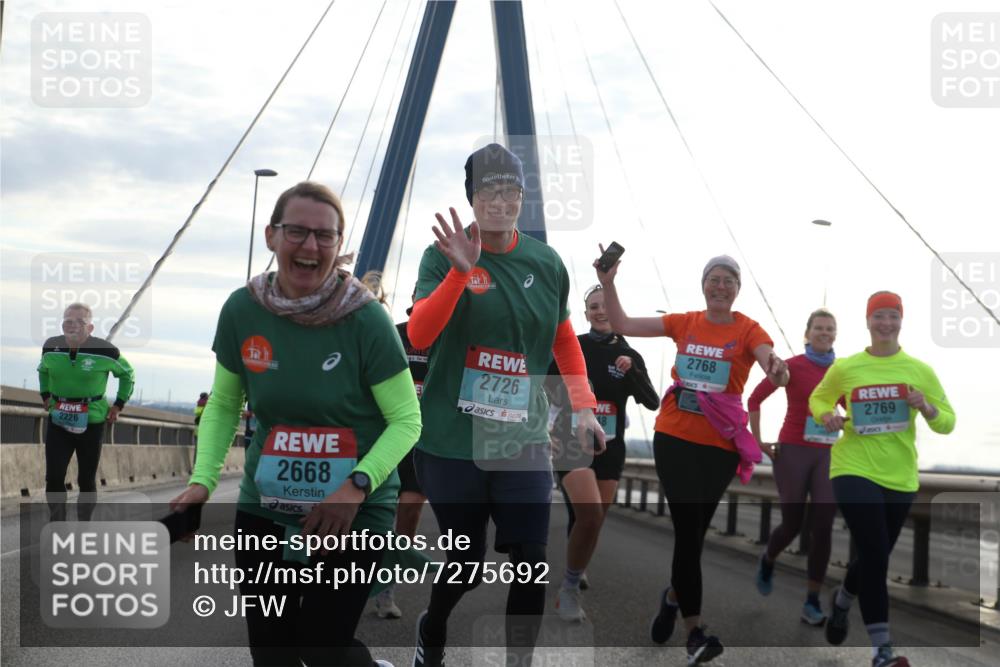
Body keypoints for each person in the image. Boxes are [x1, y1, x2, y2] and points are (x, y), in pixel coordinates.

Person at [169, 181, 420, 667]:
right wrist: (202, 482)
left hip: (353, 509)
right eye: (297, 231)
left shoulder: (366, 320)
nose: (310, 245)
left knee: (322, 648)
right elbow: (225, 402)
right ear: (271, 235)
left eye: (325, 236)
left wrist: (355, 487)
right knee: (273, 652)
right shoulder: (242, 310)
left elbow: (407, 420)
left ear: (339, 245)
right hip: (267, 505)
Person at [407, 143, 605, 667]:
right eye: (488, 191)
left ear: (523, 196)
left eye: (510, 190)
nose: (500, 201)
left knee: (531, 559)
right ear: (471, 198)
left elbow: (563, 338)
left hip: (522, 437)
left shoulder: (546, 262)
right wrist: (459, 272)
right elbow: (420, 335)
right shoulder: (441, 255)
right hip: (452, 438)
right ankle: (433, 625)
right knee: (467, 563)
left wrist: (583, 404)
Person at [595, 252, 788, 664]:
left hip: (720, 447)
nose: (721, 286)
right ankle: (695, 633)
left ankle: (672, 598)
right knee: (687, 532)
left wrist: (777, 370)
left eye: (729, 281)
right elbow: (624, 324)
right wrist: (608, 283)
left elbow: (770, 361)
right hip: (675, 437)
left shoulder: (748, 328)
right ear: (704, 285)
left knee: (694, 536)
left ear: (737, 289)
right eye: (714, 279)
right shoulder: (684, 322)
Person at [810, 291, 954, 667]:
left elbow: (947, 422)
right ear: (868, 321)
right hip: (852, 468)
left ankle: (843, 600)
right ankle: (882, 651)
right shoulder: (847, 367)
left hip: (900, 477)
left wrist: (927, 407)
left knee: (874, 555)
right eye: (879, 316)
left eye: (892, 316)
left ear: (901, 321)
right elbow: (819, 398)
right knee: (875, 555)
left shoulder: (919, 371)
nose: (886, 323)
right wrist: (826, 415)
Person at [545, 284, 659, 621]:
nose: (600, 311)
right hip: (570, 441)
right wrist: (544, 428)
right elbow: (544, 389)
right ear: (586, 313)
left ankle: (575, 567)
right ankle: (569, 589)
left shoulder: (628, 354)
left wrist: (633, 371)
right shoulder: (573, 346)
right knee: (590, 514)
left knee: (592, 520)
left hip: (610, 446)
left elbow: (651, 402)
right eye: (594, 306)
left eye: (605, 305)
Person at [748, 308, 839, 626]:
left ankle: (812, 602)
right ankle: (769, 558)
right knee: (793, 524)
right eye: (819, 328)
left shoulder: (843, 372)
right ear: (807, 334)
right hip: (793, 452)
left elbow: (855, 410)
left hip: (828, 453)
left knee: (823, 524)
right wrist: (759, 442)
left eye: (830, 328)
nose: (824, 333)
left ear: (835, 335)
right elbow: (755, 399)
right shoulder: (792, 366)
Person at [38, 302, 134, 522]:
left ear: (90, 328)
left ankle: (83, 525)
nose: (72, 325)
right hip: (58, 420)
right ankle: (58, 524)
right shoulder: (51, 346)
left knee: (86, 480)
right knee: (54, 477)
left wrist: (118, 404)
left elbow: (127, 374)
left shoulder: (106, 350)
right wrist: (45, 395)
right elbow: (42, 370)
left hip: (92, 422)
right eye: (68, 321)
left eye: (79, 322)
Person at [372, 292, 431, 620]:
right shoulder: (392, 333)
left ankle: (386, 585)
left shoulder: (449, 340)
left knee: (410, 510)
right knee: (371, 516)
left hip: (423, 439)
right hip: (384, 434)